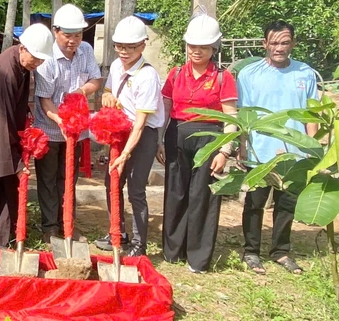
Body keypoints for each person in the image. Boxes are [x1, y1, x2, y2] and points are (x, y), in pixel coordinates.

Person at [237, 20, 317, 276]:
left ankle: (281, 251)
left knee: (287, 204)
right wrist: (242, 147)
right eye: (274, 43)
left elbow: (311, 115)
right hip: (261, 151)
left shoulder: (305, 73)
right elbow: (244, 115)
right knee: (255, 202)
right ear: (264, 44)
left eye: (284, 43)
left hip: (295, 153)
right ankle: (251, 251)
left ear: (292, 43)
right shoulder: (249, 74)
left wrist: (312, 152)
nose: (279, 48)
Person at [158, 14, 237, 273]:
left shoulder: (224, 77)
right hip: (177, 134)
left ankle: (198, 258)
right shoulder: (176, 73)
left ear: (214, 48)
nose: (196, 51)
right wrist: (159, 139)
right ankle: (173, 251)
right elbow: (165, 108)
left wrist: (225, 150)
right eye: (192, 46)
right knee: (176, 193)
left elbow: (230, 115)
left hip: (210, 137)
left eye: (203, 47)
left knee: (202, 195)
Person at [0, 23, 54, 249]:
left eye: (41, 60)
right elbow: (2, 116)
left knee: (7, 186)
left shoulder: (22, 65)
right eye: (34, 57)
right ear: (23, 47)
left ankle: (6, 233)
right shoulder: (6, 69)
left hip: (7, 131)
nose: (37, 63)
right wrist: (15, 162)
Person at [33, 4, 102, 242]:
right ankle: (50, 227)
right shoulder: (47, 58)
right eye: (67, 35)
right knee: (48, 179)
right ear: (55, 31)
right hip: (50, 129)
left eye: (78, 35)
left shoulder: (86, 50)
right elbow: (44, 100)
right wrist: (59, 120)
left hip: (75, 131)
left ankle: (68, 224)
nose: (73, 41)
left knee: (69, 179)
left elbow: (95, 79)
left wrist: (82, 91)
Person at [96, 16, 165, 257]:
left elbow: (141, 123)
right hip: (120, 130)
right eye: (119, 46)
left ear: (143, 46)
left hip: (142, 134)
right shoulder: (116, 66)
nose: (124, 52)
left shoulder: (147, 76)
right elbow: (108, 90)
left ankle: (139, 244)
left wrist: (126, 154)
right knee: (112, 181)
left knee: (136, 189)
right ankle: (117, 231)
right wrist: (107, 98)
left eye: (130, 47)